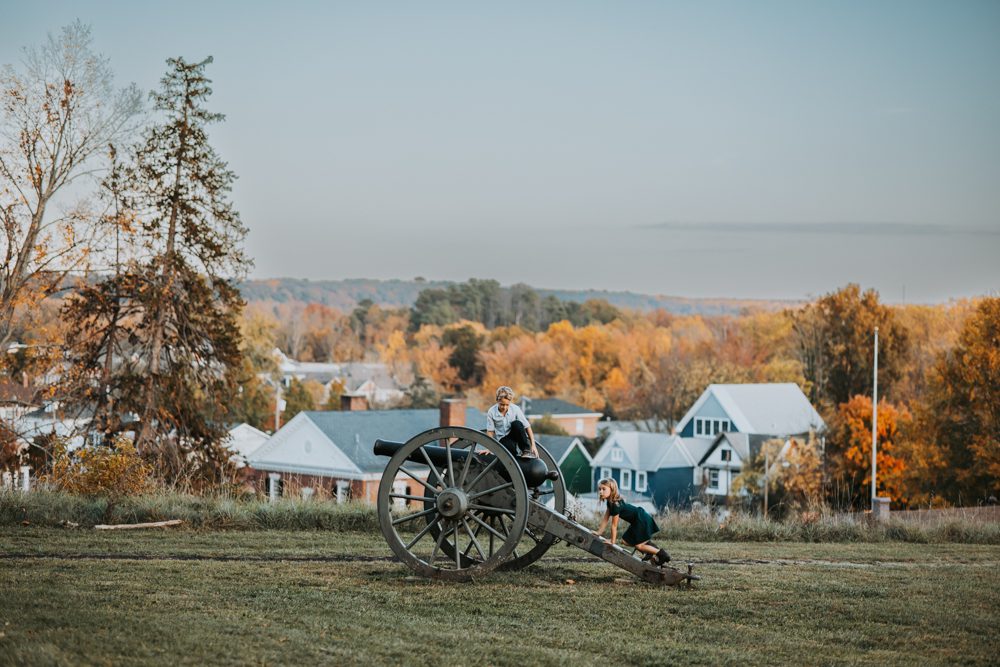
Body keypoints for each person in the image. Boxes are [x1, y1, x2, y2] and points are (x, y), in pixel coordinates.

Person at [593, 477, 670, 566]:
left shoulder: (615, 505)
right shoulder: (610, 502)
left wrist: (612, 541)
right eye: (599, 489)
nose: (600, 491)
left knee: (638, 546)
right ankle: (650, 548)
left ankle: (662, 554)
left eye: (604, 489)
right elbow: (605, 519)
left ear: (612, 490)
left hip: (641, 519)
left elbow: (614, 526)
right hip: (637, 520)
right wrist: (599, 532)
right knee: (625, 541)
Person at [485, 386, 539, 458]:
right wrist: (489, 448)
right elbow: (490, 431)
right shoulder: (491, 412)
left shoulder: (515, 409)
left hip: (514, 435)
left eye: (507, 405)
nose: (504, 407)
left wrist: (533, 445)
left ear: (510, 402)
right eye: (502, 404)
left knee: (517, 424)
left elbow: (527, 426)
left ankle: (525, 450)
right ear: (497, 400)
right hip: (502, 439)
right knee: (511, 452)